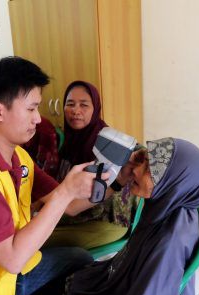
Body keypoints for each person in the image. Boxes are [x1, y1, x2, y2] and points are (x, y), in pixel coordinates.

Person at [0, 57, 109, 295]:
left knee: (79, 259)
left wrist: (118, 179)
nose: (38, 119)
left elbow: (70, 206)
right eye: (31, 108)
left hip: (10, 275)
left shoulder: (17, 156)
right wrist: (65, 191)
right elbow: (13, 260)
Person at [65, 138, 199, 295]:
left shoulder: (168, 242)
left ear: (173, 183)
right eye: (142, 161)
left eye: (149, 168)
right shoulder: (167, 207)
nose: (136, 170)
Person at [44, 80, 136, 249]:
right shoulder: (71, 140)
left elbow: (75, 206)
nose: (75, 111)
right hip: (75, 212)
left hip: (104, 222)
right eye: (70, 104)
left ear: (95, 109)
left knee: (37, 239)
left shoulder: (106, 145)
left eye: (84, 105)